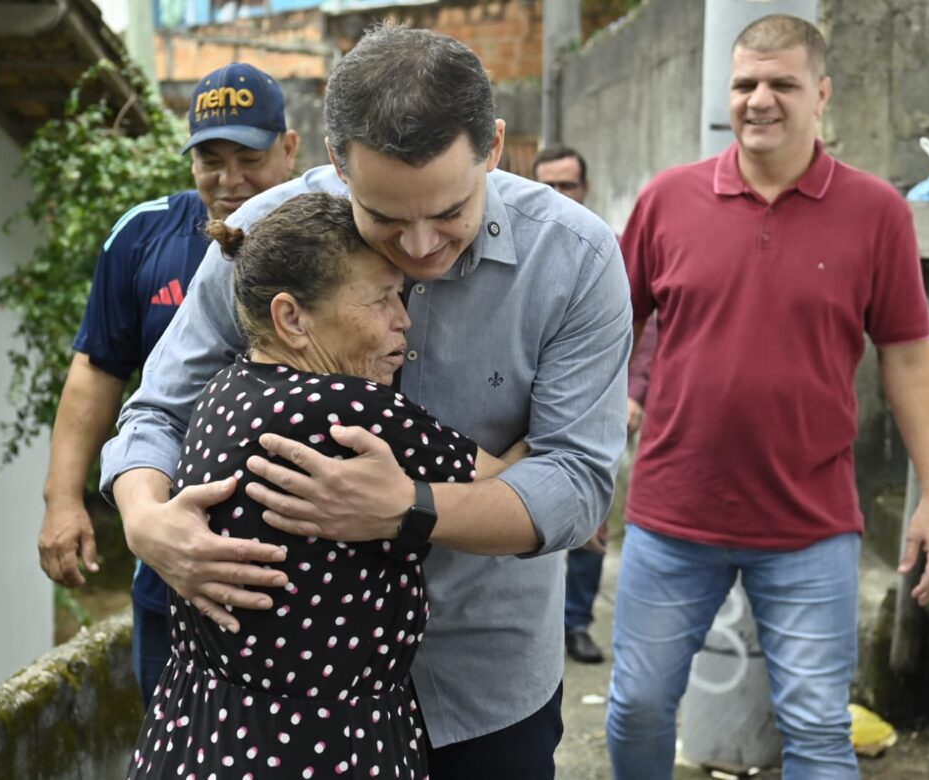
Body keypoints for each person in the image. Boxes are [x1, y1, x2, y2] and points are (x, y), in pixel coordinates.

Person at [103, 23, 633, 778]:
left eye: (449, 212)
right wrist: (147, 521)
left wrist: (408, 507)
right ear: (335, 164)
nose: (419, 247)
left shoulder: (574, 260)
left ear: (494, 148)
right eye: (386, 219)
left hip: (481, 685)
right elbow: (158, 410)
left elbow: (577, 485)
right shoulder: (265, 238)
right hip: (277, 706)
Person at [605, 14, 929, 780]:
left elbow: (907, 357)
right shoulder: (669, 200)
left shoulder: (877, 214)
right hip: (673, 516)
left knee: (818, 730)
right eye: (744, 84)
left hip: (810, 525)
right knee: (635, 706)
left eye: (782, 84)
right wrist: (583, 473)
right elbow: (604, 337)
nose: (759, 100)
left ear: (821, 93)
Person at [128, 192, 526, 778]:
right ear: (292, 319)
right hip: (320, 747)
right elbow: (516, 485)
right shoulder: (349, 409)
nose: (404, 319)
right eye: (383, 298)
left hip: (197, 729)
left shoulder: (222, 391)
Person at [36, 62, 299, 706]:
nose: (230, 181)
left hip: (306, 564)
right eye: (211, 159)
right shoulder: (142, 235)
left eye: (250, 157)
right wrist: (63, 499)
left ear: (290, 149)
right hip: (171, 564)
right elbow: (99, 370)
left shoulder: (335, 234)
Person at [532, 144, 658, 665]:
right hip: (527, 405)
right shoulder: (515, 249)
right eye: (549, 185)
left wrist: (633, 393)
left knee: (590, 515)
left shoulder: (608, 249)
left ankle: (576, 622)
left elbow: (648, 327)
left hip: (598, 403)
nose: (560, 195)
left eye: (569, 185)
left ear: (585, 188)